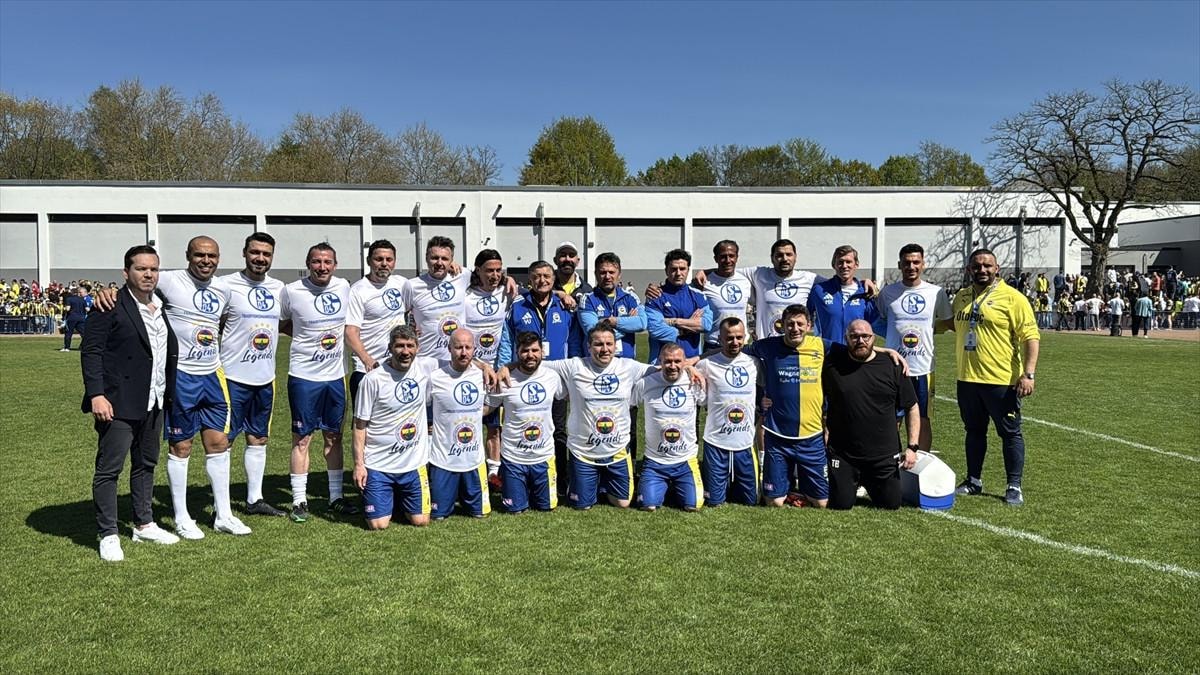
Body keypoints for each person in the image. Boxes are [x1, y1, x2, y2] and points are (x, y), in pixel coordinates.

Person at [144, 236, 249, 539]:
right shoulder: (169, 281)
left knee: (219, 443)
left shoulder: (223, 289)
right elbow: (137, 284)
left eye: (212, 256)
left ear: (219, 258)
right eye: (200, 255)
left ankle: (224, 515)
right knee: (181, 446)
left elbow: (222, 322)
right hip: (181, 377)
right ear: (188, 256)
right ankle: (181, 517)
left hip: (213, 376)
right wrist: (109, 291)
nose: (206, 261)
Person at [81, 245, 181, 561]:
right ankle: (108, 533)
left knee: (146, 464)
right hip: (117, 402)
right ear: (126, 273)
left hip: (155, 399)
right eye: (141, 268)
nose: (148, 274)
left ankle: (144, 523)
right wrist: (96, 395)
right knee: (109, 469)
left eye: (153, 269)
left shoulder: (161, 305)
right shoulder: (109, 304)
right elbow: (91, 352)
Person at [518, 324, 658, 510]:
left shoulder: (628, 366)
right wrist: (507, 367)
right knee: (582, 505)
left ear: (616, 346)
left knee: (623, 503)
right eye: (598, 344)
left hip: (617, 451)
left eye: (609, 344)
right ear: (589, 346)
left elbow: (663, 369)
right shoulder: (574, 366)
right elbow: (534, 362)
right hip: (583, 452)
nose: (605, 349)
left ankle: (602, 483)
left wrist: (690, 369)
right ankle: (587, 481)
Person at [951, 249, 1040, 507]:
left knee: (1010, 433)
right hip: (967, 378)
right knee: (974, 431)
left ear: (997, 268)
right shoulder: (961, 297)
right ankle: (973, 480)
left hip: (1001, 380)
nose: (982, 270)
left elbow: (1031, 337)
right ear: (969, 269)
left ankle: (1014, 485)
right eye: (977, 266)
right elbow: (951, 324)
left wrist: (1029, 374)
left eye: (987, 265)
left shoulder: (1013, 298)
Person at [280, 243, 359, 522]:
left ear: (335, 265)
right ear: (308, 264)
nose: (322, 267)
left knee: (334, 437)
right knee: (302, 438)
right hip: (304, 377)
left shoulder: (344, 287)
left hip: (335, 377)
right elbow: (281, 322)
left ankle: (336, 497)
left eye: (327, 262)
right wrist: (304, 336)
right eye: (316, 262)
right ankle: (299, 501)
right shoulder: (291, 291)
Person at [216, 233, 287, 516]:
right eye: (255, 252)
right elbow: (211, 321)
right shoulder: (225, 285)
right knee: (224, 440)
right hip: (232, 377)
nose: (260, 258)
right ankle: (221, 504)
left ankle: (254, 500)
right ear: (244, 253)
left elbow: (287, 323)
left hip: (265, 377)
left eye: (266, 254)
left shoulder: (279, 288)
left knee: (258, 439)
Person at [499, 261, 583, 486]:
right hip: (524, 375)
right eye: (537, 276)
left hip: (555, 378)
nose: (542, 280)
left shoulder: (565, 305)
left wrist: (572, 372)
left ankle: (561, 478)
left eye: (547, 276)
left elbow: (574, 341)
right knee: (522, 424)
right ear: (530, 279)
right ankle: (519, 476)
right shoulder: (518, 306)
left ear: (554, 279)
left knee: (558, 428)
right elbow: (507, 340)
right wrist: (505, 367)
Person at [823, 320, 920, 510]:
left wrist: (912, 447)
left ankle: (869, 481)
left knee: (890, 504)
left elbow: (912, 407)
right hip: (844, 454)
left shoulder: (893, 366)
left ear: (873, 338)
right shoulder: (832, 363)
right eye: (854, 337)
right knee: (841, 504)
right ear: (846, 339)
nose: (860, 341)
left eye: (865, 336)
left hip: (883, 455)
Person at [743, 304, 832, 508]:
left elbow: (853, 350)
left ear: (809, 326)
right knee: (774, 502)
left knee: (822, 503)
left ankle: (799, 487)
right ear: (781, 326)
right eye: (790, 324)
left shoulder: (820, 345)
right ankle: (787, 488)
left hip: (811, 436)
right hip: (778, 436)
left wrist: (887, 351)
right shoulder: (768, 346)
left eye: (800, 324)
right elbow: (734, 354)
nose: (795, 328)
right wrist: (694, 360)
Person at [352, 325, 437, 529]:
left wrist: (488, 367)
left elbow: (460, 359)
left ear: (417, 348)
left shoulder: (426, 368)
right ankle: (385, 496)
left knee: (421, 521)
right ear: (390, 347)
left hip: (413, 464)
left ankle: (396, 498)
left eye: (410, 346)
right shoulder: (372, 380)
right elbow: (359, 425)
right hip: (379, 464)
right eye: (399, 346)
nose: (405, 351)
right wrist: (359, 465)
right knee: (378, 525)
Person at [875, 243, 952, 452]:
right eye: (907, 262)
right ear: (899, 265)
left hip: (924, 367)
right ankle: (890, 459)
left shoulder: (936, 293)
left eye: (916, 262)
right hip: (894, 366)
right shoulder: (888, 293)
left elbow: (949, 322)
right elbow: (878, 321)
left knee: (923, 418)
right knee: (893, 418)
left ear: (923, 264)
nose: (911, 266)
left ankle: (921, 460)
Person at [486, 331, 567, 513]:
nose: (530, 355)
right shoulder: (505, 380)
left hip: (543, 457)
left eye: (534, 350)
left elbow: (570, 397)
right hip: (514, 458)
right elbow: (486, 409)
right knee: (515, 510)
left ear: (542, 352)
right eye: (525, 351)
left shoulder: (552, 377)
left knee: (546, 508)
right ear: (517, 352)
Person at [578, 252, 647, 463]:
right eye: (602, 272)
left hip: (625, 370)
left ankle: (629, 468)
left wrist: (612, 321)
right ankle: (594, 465)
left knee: (629, 423)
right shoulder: (588, 299)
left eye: (611, 272)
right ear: (596, 274)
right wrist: (626, 323)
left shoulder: (631, 298)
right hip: (597, 370)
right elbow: (593, 331)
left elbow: (642, 323)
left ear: (619, 274)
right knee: (596, 422)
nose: (607, 276)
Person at [693, 317, 759, 507]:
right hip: (716, 442)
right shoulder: (706, 364)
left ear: (745, 337)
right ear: (720, 339)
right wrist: (689, 368)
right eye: (729, 338)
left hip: (745, 443)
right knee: (714, 501)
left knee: (751, 501)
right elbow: (697, 395)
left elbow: (766, 389)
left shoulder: (754, 363)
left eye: (739, 337)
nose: (734, 342)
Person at [696, 238, 819, 340]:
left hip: (796, 342)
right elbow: (727, 269)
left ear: (795, 257)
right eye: (779, 255)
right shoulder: (758, 274)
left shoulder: (808, 278)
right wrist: (704, 272)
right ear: (772, 258)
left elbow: (830, 283)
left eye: (789, 254)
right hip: (766, 345)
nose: (784, 259)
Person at [633, 343, 706, 511]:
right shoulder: (646, 383)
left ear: (685, 362)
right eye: (667, 361)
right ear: (660, 362)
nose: (672, 366)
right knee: (647, 505)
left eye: (677, 361)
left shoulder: (694, 382)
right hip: (655, 461)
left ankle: (677, 485)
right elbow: (629, 404)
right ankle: (660, 484)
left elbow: (708, 404)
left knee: (693, 505)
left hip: (685, 460)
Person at [465, 249, 511, 487]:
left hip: (498, 371)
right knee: (468, 421)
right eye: (489, 270)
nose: (495, 275)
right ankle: (468, 467)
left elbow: (537, 291)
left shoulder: (507, 293)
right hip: (470, 368)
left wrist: (559, 293)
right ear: (478, 271)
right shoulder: (465, 296)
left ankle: (493, 473)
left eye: (498, 270)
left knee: (495, 427)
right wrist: (479, 364)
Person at [346, 239, 408, 409]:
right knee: (364, 421)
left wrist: (451, 266)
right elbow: (350, 332)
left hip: (396, 365)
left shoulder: (401, 283)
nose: (384, 264)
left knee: (393, 418)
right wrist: (367, 360)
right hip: (368, 369)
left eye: (389, 259)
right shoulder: (358, 290)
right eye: (379, 259)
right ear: (369, 261)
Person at [402, 236, 469, 365]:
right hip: (425, 361)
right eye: (434, 258)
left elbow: (487, 278)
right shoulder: (412, 285)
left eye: (444, 259)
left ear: (452, 260)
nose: (439, 263)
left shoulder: (463, 275)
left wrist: (506, 279)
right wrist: (408, 330)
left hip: (457, 361)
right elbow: (399, 314)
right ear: (426, 258)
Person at [645, 249, 713, 361]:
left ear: (688, 270)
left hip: (691, 361)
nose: (678, 273)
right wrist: (687, 327)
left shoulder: (698, 295)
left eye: (682, 269)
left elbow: (706, 324)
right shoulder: (655, 295)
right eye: (673, 269)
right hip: (662, 363)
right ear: (666, 270)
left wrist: (673, 321)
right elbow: (655, 329)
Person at [807, 245, 881, 344]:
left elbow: (875, 325)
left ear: (856, 265)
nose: (844, 266)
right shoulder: (819, 290)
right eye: (840, 262)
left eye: (848, 262)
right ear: (834, 265)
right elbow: (804, 316)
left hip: (855, 351)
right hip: (827, 351)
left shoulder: (865, 292)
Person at [697, 240, 753, 351]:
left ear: (737, 257)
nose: (728, 260)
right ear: (715, 259)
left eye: (731, 256)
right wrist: (660, 288)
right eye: (723, 256)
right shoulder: (704, 282)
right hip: (714, 345)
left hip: (741, 345)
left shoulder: (746, 281)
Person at [61, 284, 89, 351]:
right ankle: (84, 347)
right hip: (81, 318)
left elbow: (68, 309)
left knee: (68, 333)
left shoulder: (69, 299)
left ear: (72, 292)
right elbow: (87, 309)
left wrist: (64, 309)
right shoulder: (82, 300)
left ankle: (67, 347)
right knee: (84, 334)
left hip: (72, 318)